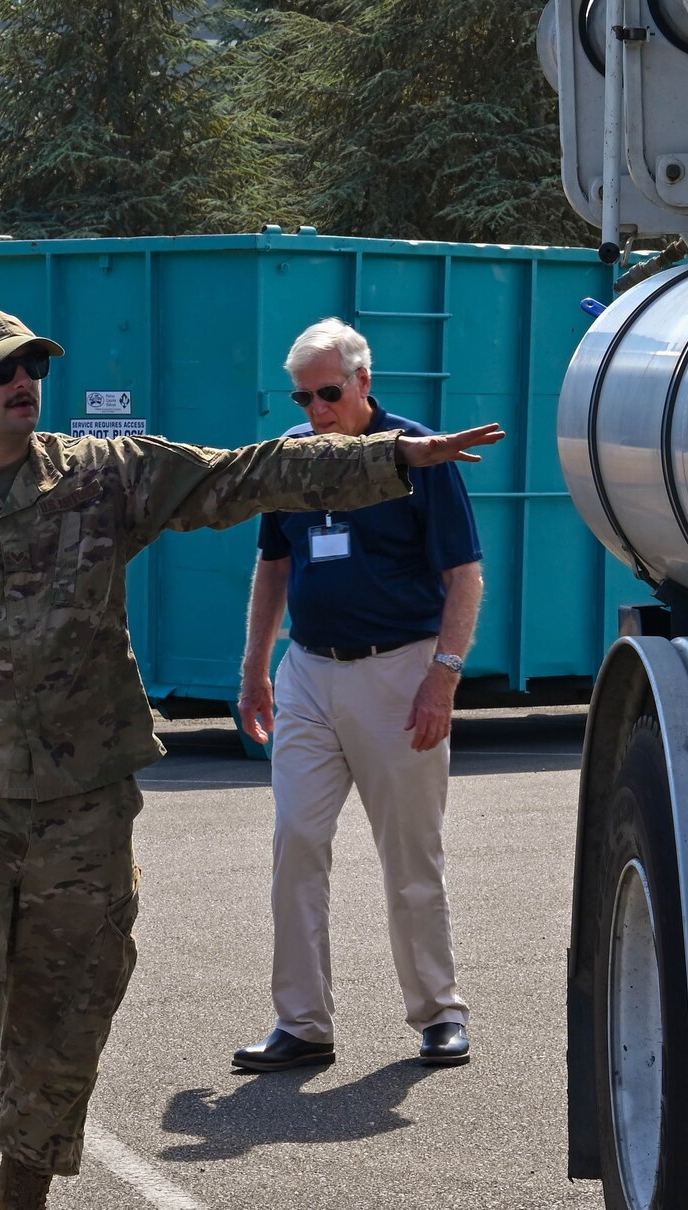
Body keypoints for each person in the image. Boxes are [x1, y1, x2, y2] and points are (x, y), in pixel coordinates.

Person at [0, 308, 502, 1210]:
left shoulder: (100, 474)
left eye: (31, 366)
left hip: (81, 799)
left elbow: (243, 476)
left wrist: (390, 456)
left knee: (70, 1004)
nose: (21, 382)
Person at [232, 318, 485, 1076]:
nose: (316, 410)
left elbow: (465, 575)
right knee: (296, 843)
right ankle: (302, 1021)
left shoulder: (422, 455)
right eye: (304, 396)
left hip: (400, 670)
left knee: (410, 853)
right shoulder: (293, 460)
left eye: (330, 394)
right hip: (310, 670)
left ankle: (438, 1011)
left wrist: (443, 674)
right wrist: (254, 666)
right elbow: (272, 567)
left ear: (364, 384)